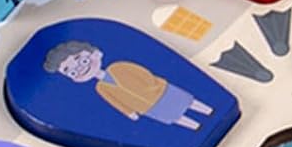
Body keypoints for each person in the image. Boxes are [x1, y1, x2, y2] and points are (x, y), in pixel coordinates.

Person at [44, 40, 214, 129]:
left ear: (95, 54)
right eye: (71, 71)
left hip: (159, 90)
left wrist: (152, 83)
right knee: (175, 118)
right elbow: (115, 102)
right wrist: (129, 112)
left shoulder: (117, 66)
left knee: (187, 102)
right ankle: (197, 127)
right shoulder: (100, 88)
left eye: (80, 60)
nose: (80, 68)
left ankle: (210, 112)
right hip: (145, 107)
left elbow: (139, 72)